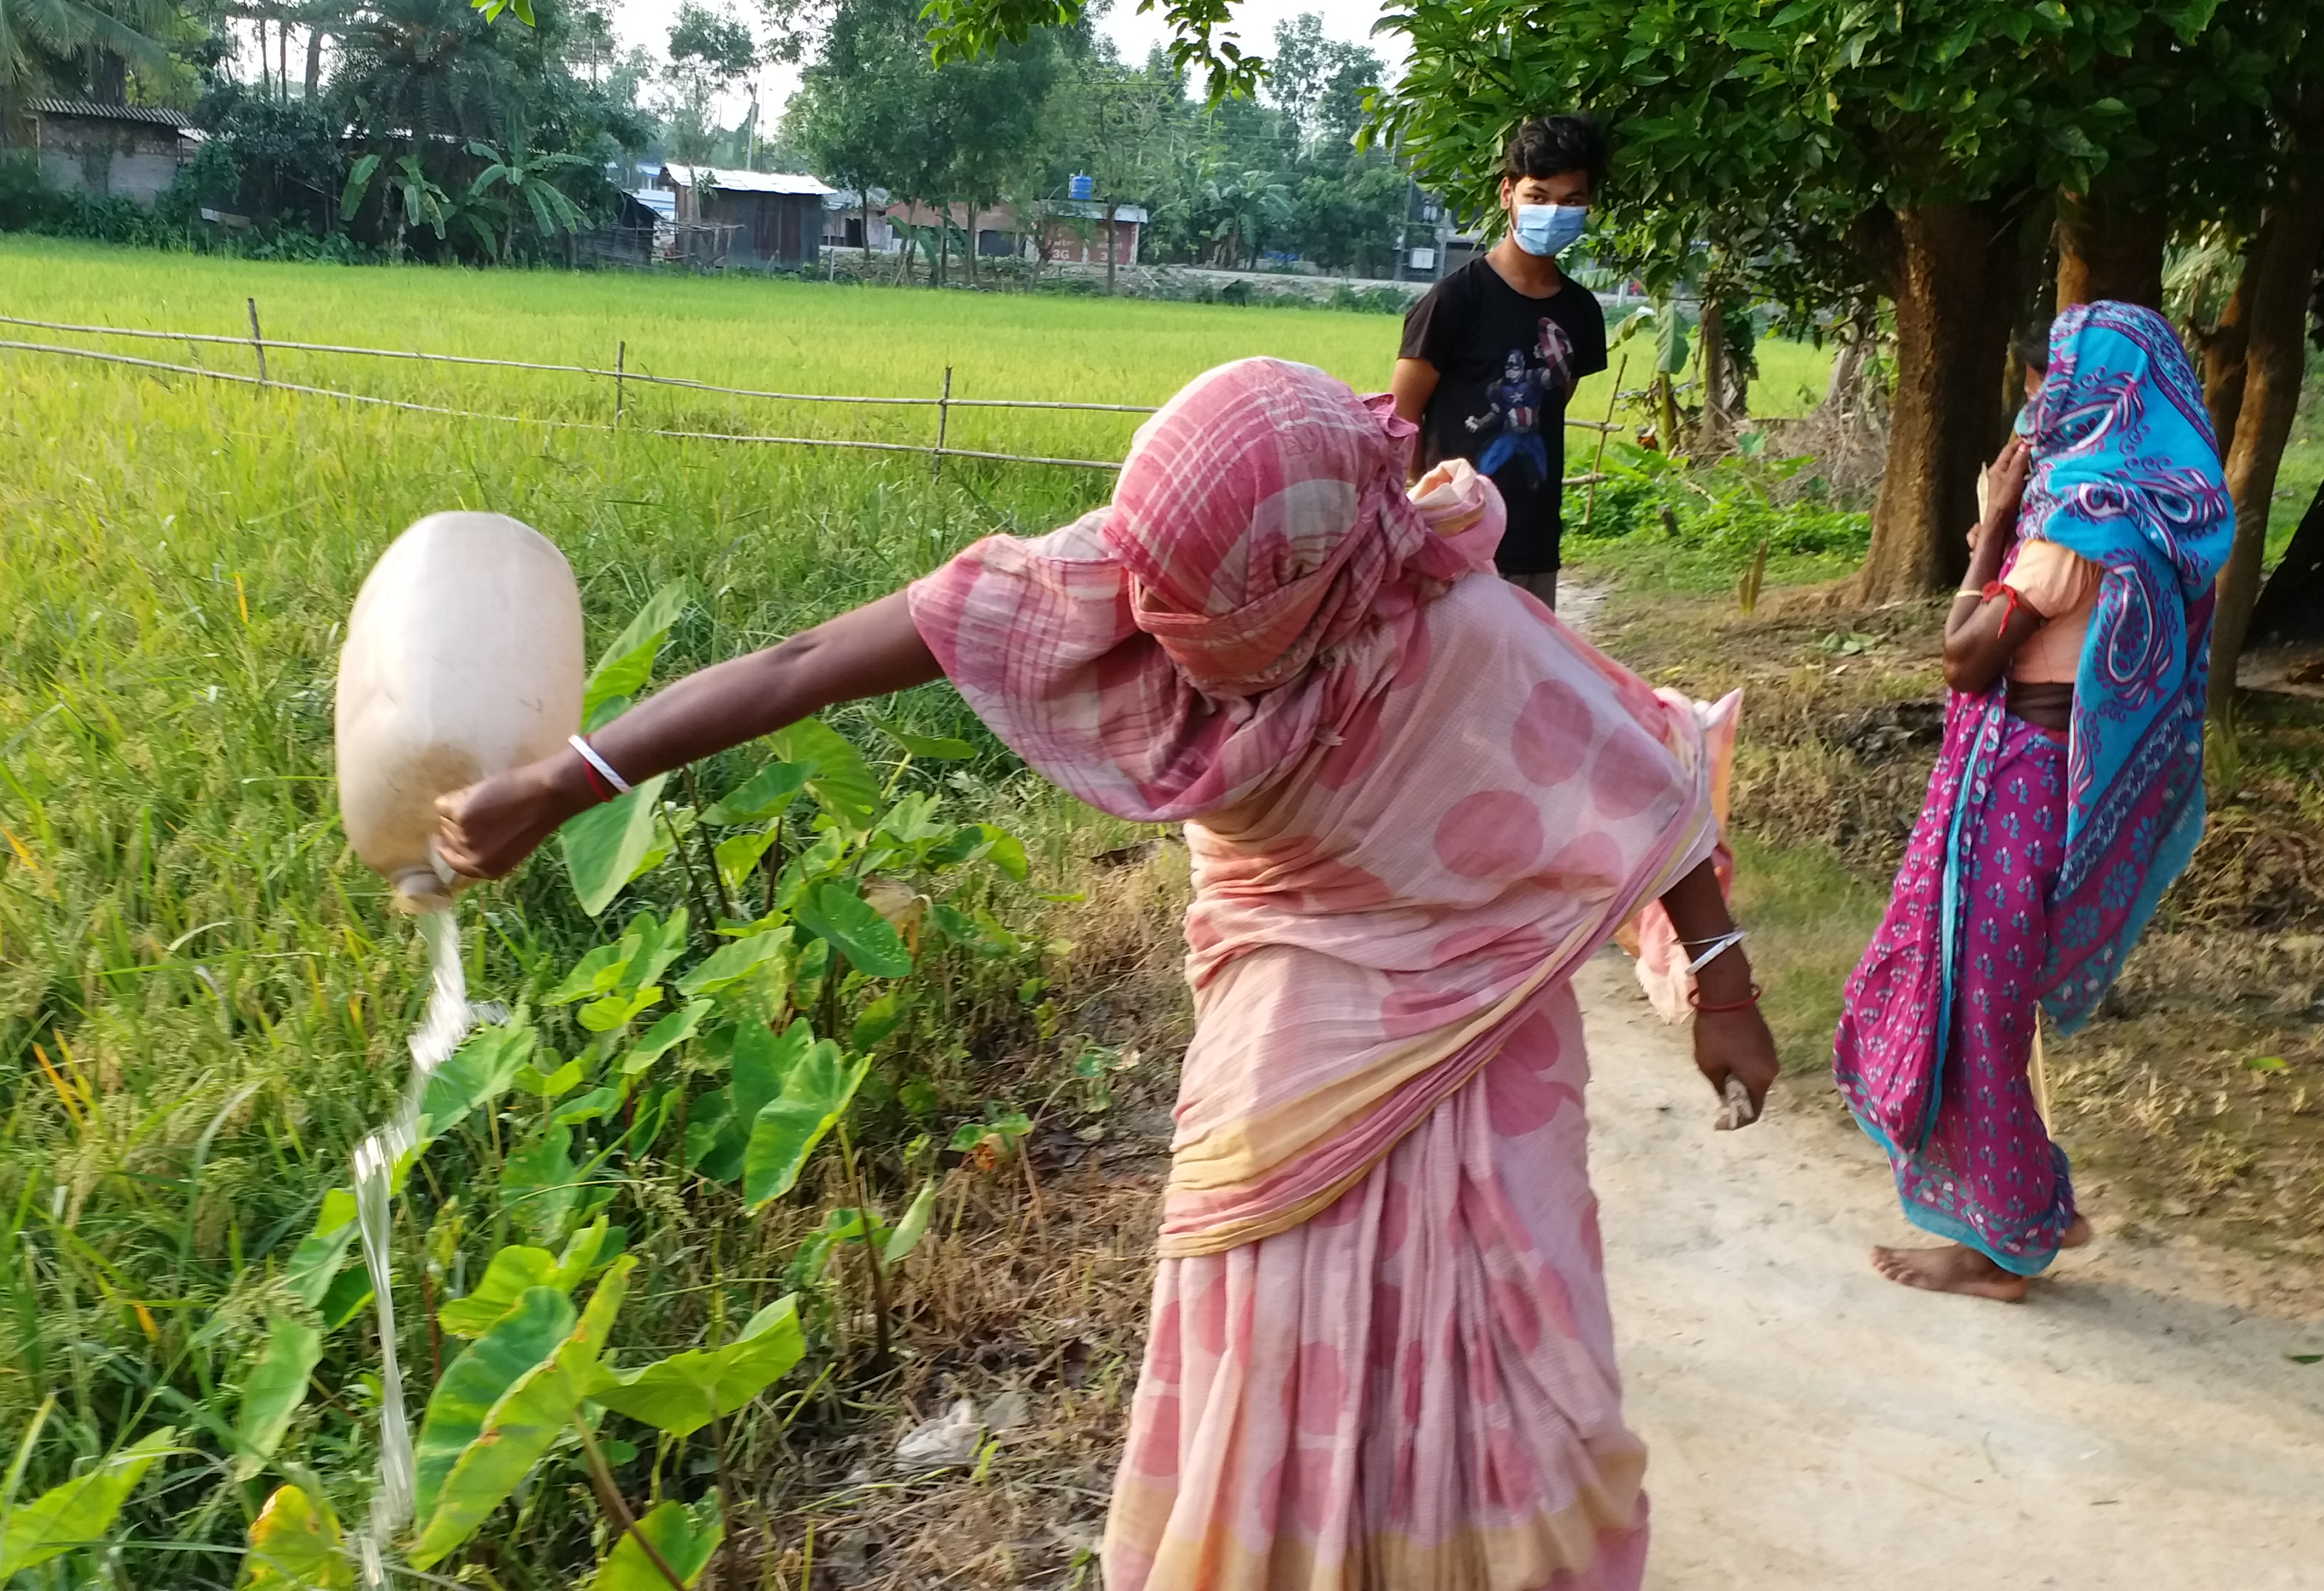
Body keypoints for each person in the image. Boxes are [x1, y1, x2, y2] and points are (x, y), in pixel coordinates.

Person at [433, 357, 1782, 1589]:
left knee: (1523, 1375)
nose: (1146, 621)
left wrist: (1724, 986)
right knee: (1270, 1375)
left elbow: (1642, 776)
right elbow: (805, 664)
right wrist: (567, 780)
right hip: (1280, 1062)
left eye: (1195, 609)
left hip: (1486, 1065)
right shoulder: (1140, 569)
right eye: (1149, 583)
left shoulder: (1458, 643)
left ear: (1307, 585)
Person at [1833, 301, 2231, 1303]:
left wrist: (1992, 529)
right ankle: (2031, 1207)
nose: (2038, 397)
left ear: (2096, 388)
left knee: (1977, 1008)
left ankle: (2002, 1244)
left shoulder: (2077, 517)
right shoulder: (2160, 504)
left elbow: (1966, 658)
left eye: (2055, 375)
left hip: (2018, 778)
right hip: (2046, 777)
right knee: (1985, 1001)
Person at [1390, 115, 1614, 611]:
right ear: (1507, 193)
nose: (1554, 212)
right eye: (1538, 196)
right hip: (1450, 546)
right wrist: (1424, 524)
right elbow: (1401, 422)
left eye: (1571, 200)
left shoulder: (1580, 313)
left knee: (1523, 684)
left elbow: (1554, 402)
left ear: (1588, 205)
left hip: (1535, 542)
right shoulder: (1455, 301)